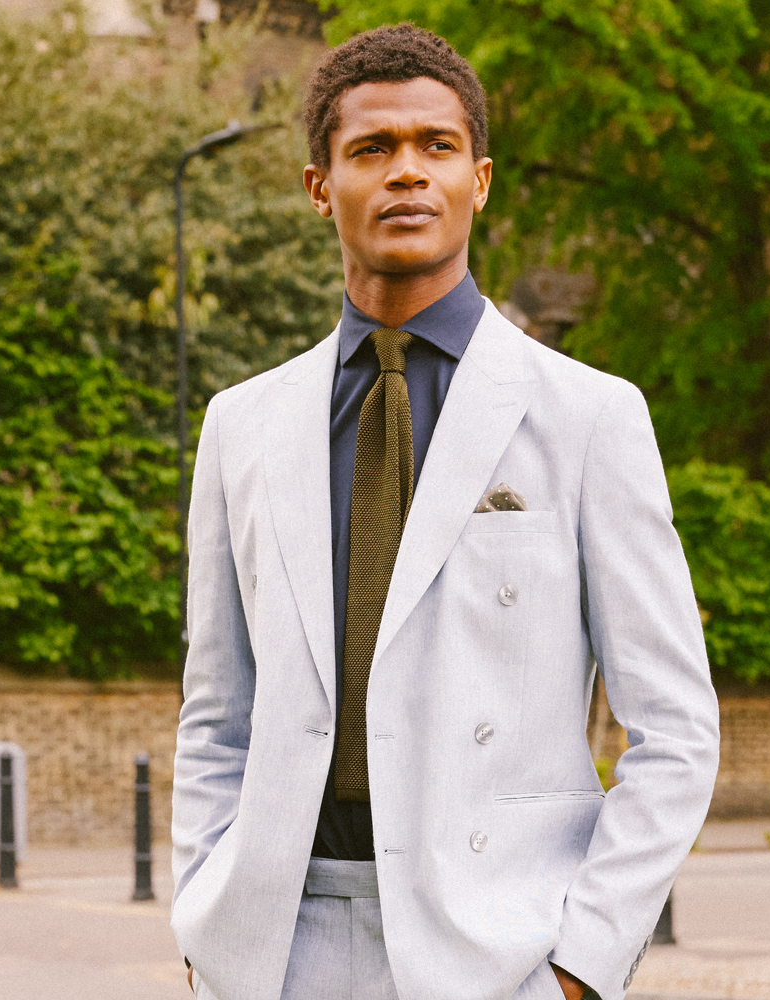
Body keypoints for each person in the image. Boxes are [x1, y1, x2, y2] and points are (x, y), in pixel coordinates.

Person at [170, 24, 719, 1000]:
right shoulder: (240, 425)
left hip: (497, 950)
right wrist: (202, 914)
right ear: (318, 185)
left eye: (436, 146)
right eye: (371, 150)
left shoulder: (590, 416)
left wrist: (580, 966)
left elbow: (674, 729)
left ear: (480, 179)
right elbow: (217, 714)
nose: (406, 174)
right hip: (271, 950)